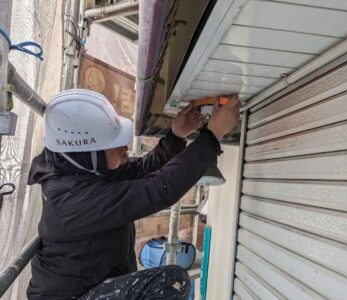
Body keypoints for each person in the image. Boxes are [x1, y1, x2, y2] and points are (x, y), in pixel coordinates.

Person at [27, 89, 240, 299]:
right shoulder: (72, 201)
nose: (125, 147)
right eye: (114, 144)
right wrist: (211, 137)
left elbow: (140, 170)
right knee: (171, 283)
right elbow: (158, 189)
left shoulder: (82, 171)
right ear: (89, 155)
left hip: (91, 287)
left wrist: (176, 135)